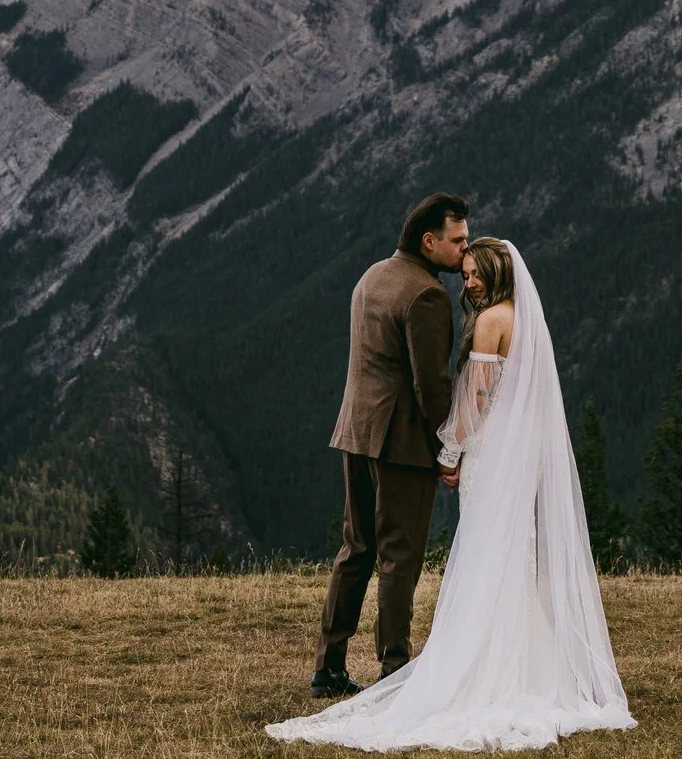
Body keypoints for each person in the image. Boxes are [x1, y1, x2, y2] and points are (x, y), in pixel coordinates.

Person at [270, 235, 634, 750]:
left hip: (487, 453)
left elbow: (479, 394)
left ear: (494, 270)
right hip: (511, 450)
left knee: (488, 549)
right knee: (510, 554)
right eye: (464, 274)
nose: (467, 283)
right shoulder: (522, 318)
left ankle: (482, 661)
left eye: (473, 273)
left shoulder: (490, 321)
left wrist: (449, 451)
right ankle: (520, 659)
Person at [307, 192, 469, 699]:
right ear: (429, 241)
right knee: (400, 556)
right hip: (400, 444)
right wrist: (451, 446)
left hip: (356, 432)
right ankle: (394, 669)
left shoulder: (372, 276)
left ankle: (328, 667)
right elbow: (431, 386)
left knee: (356, 548)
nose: (466, 251)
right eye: (458, 240)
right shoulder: (427, 295)